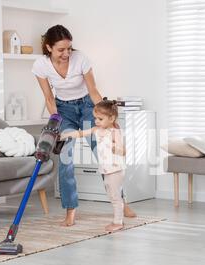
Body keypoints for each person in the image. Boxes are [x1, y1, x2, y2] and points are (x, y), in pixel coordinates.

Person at [32, 25, 136, 227]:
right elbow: (48, 97)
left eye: (69, 48)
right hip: (64, 111)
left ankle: (122, 202)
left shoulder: (80, 59)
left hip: (88, 106)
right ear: (49, 47)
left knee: (104, 151)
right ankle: (70, 210)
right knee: (65, 157)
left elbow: (94, 90)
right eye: (61, 49)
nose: (66, 53)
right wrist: (55, 120)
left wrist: (108, 118)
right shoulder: (40, 66)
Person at [60, 99, 126, 232]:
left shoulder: (115, 132)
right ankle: (118, 218)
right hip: (107, 169)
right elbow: (80, 133)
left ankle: (118, 222)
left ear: (111, 118)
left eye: (100, 119)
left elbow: (124, 150)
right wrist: (67, 134)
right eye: (95, 118)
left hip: (115, 169)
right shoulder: (97, 129)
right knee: (112, 195)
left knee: (114, 197)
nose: (96, 121)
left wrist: (116, 149)